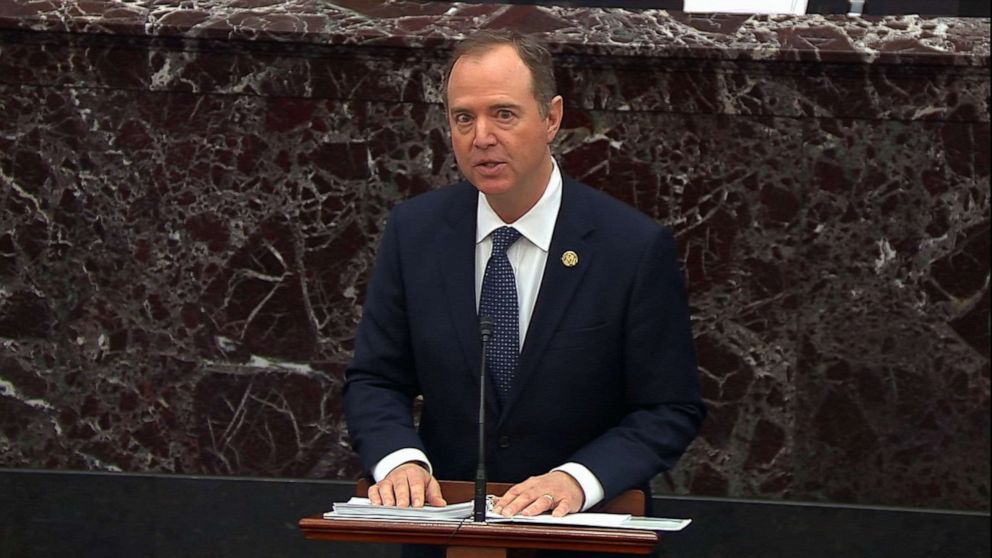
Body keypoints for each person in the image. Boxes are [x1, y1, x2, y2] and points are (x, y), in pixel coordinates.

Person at [343, 30, 705, 555]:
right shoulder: (414, 232)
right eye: (463, 118)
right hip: (447, 535)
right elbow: (375, 378)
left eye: (504, 114)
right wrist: (399, 460)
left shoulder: (630, 246)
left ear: (552, 118)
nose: (481, 136)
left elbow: (669, 408)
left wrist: (578, 479)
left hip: (577, 537)